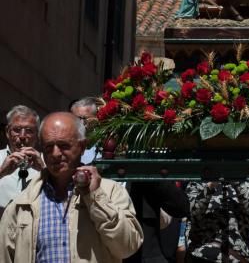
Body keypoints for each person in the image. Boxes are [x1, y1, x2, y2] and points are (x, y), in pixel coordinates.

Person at [0, 111, 143, 262]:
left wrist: (95, 198)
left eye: (63, 146)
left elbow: (127, 247)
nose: (55, 154)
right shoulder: (22, 205)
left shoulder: (110, 191)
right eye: (49, 147)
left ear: (82, 146)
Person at [184, 180, 249, 262]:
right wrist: (210, 186)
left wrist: (240, 188)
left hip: (238, 258)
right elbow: (192, 216)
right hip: (201, 256)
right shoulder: (196, 185)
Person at [0, 105, 43, 218]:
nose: (22, 136)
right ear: (7, 132)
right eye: (17, 130)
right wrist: (1, 172)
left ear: (37, 135)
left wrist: (44, 170)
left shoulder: (47, 162)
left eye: (29, 131)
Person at [70, 96, 99, 164]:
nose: (81, 123)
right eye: (77, 119)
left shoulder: (102, 145)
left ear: (95, 119)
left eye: (85, 119)